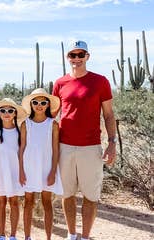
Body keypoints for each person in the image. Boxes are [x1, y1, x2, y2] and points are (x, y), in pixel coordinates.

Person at [52, 40, 117, 240]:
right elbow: (52, 114)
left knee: (91, 196)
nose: (77, 59)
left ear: (88, 57)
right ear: (68, 58)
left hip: (91, 147)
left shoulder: (100, 81)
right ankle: (72, 235)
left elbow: (108, 115)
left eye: (81, 55)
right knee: (67, 194)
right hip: (65, 146)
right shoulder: (60, 83)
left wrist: (112, 143)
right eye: (73, 55)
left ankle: (86, 236)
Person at [19, 88, 63, 240]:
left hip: (46, 168)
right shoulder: (26, 124)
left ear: (48, 104)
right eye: (35, 102)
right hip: (29, 168)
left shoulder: (53, 124)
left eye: (43, 102)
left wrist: (52, 172)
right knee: (28, 202)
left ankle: (48, 237)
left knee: (47, 202)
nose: (39, 105)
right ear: (31, 104)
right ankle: (27, 237)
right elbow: (22, 148)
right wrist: (21, 171)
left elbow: (56, 150)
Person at [0, 98, 28, 240]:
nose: (6, 113)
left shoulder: (19, 132)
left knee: (14, 202)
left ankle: (13, 235)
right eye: (3, 110)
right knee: (0, 202)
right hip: (0, 171)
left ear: (15, 114)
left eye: (10, 110)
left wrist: (22, 172)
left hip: (15, 172)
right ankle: (2, 235)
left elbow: (21, 153)